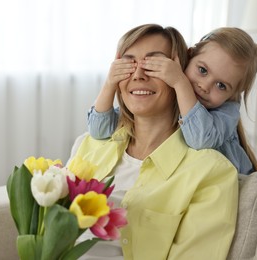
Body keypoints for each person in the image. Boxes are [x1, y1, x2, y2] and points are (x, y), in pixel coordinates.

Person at [69, 24, 238, 260]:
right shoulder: (87, 145)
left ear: (181, 76)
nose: (138, 75)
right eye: (128, 64)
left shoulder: (211, 172)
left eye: (154, 65)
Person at [87, 27, 257, 174]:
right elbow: (98, 130)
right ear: (188, 56)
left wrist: (180, 81)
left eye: (221, 86)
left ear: (234, 94)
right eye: (202, 70)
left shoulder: (226, 111)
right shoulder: (170, 100)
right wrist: (110, 83)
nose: (204, 86)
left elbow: (200, 139)